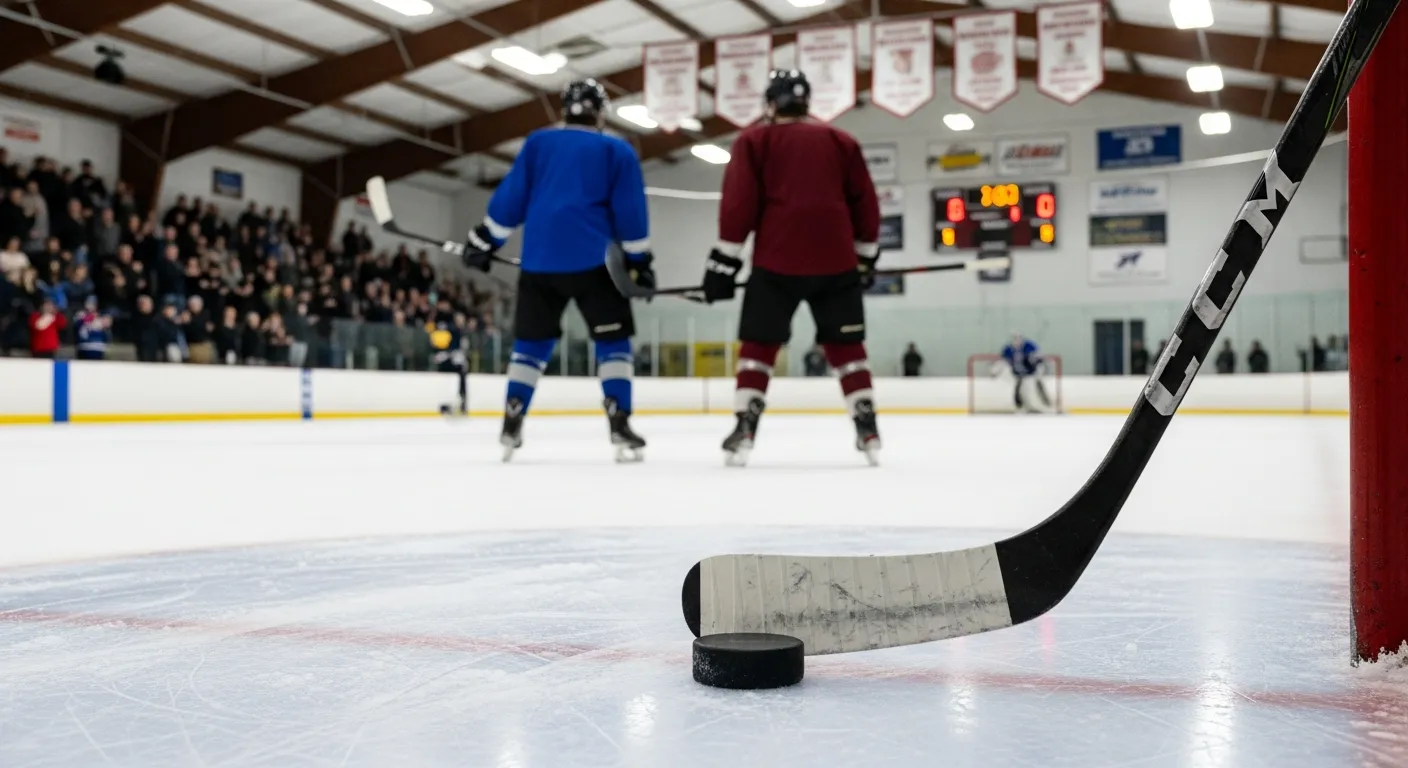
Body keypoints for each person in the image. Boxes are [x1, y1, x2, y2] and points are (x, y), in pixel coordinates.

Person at [461, 78, 654, 462]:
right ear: (601, 113)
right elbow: (630, 213)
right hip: (596, 264)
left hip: (540, 262)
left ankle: (512, 418)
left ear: (565, 109)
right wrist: (639, 263)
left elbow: (512, 199)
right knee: (613, 342)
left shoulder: (538, 143)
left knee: (531, 345)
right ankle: (619, 420)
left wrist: (485, 240)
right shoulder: (617, 150)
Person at [699, 69, 881, 466]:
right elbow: (865, 201)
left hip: (776, 261)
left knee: (759, 346)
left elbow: (739, 204)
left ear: (770, 103)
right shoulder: (841, 141)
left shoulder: (754, 140)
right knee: (847, 347)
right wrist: (866, 256)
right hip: (837, 262)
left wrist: (724, 261)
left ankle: (745, 425)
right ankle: (867, 426)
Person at [997, 332, 1052, 413]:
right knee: (1020, 389)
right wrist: (997, 370)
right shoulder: (1008, 349)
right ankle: (1021, 406)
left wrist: (1040, 369)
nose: (1017, 341)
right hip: (1019, 374)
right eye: (1015, 339)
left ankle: (1045, 403)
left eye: (1019, 338)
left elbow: (1039, 359)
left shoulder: (1029, 346)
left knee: (1035, 386)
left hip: (1031, 372)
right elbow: (1003, 361)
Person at [74, 296, 110, 361]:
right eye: (88, 303)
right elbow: (77, 329)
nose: (90, 306)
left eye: (92, 304)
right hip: (83, 348)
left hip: (97, 349)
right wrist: (83, 319)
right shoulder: (80, 316)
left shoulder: (101, 317)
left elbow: (106, 334)